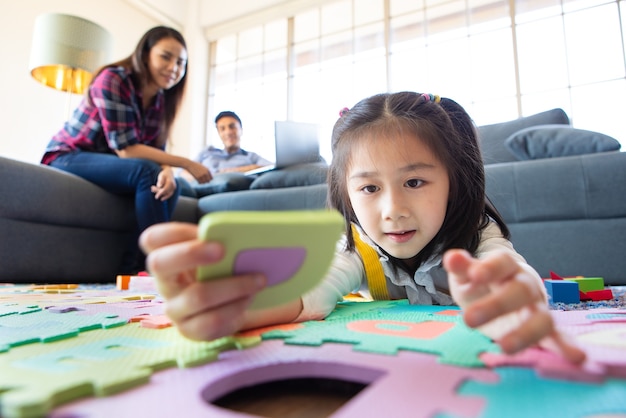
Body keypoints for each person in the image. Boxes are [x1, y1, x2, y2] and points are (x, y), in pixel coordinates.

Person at [139, 91, 586, 364]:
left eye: (414, 181)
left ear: (456, 180)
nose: (392, 210)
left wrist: (515, 296)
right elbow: (310, 293)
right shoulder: (358, 245)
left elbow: (509, 270)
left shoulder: (477, 233)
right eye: (369, 188)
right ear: (346, 194)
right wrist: (230, 308)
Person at [41, 26, 212, 273]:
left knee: (168, 187)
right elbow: (127, 149)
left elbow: (155, 147)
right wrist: (185, 162)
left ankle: (132, 269)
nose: (174, 67)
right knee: (147, 173)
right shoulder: (113, 79)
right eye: (166, 56)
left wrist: (167, 171)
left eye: (181, 62)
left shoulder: (161, 100)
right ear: (145, 54)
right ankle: (158, 268)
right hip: (68, 155)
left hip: (112, 161)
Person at [177, 111, 273, 198]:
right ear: (219, 133)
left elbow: (270, 167)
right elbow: (182, 172)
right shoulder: (207, 152)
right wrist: (203, 177)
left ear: (241, 129)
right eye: (222, 129)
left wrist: (229, 171)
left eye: (232, 126)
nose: (228, 132)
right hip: (197, 188)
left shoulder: (250, 156)